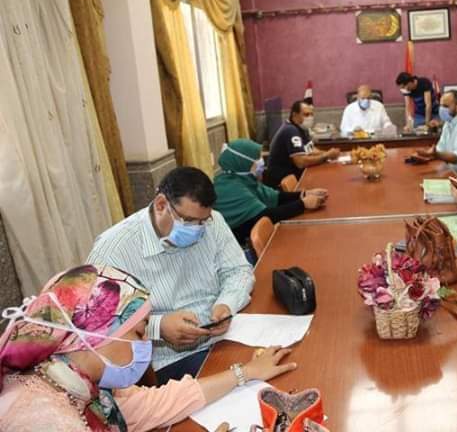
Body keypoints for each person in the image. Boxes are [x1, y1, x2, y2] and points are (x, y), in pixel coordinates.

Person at [0, 264, 296, 432]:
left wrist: (245, 372)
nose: (146, 345)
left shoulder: (82, 384)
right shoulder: (42, 420)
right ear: (95, 335)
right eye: (140, 332)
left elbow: (156, 404)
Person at [87, 167, 254, 385]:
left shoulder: (213, 222)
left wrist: (226, 304)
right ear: (161, 205)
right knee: (245, 381)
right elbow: (99, 323)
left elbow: (238, 271)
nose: (198, 229)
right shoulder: (113, 250)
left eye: (203, 221)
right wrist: (159, 327)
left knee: (273, 364)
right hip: (167, 360)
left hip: (225, 336)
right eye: (189, 221)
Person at [214, 139, 328, 263]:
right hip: (237, 251)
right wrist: (303, 204)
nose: (261, 162)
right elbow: (266, 215)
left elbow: (276, 197)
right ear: (243, 162)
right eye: (257, 159)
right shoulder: (229, 188)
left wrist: (304, 194)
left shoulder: (244, 179)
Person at [264, 100, 340, 189]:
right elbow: (301, 162)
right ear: (295, 115)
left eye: (311, 114)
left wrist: (328, 153)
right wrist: (326, 156)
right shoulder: (290, 130)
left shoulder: (302, 128)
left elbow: (311, 149)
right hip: (281, 183)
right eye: (306, 114)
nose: (310, 118)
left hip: (296, 175)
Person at [414, 90, 457, 174]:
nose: (441, 109)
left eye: (445, 106)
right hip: (452, 172)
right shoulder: (448, 123)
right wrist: (426, 155)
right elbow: (440, 149)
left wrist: (435, 155)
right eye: (440, 105)